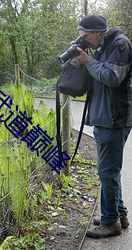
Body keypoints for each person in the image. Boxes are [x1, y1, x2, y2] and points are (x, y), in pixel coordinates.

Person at [74, 15, 132, 238]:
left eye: (86, 37)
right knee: (109, 171)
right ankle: (119, 214)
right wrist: (84, 60)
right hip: (104, 117)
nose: (85, 41)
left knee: (107, 171)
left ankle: (110, 223)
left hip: (114, 118)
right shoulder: (103, 46)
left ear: (98, 32)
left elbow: (111, 77)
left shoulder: (120, 44)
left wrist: (87, 61)